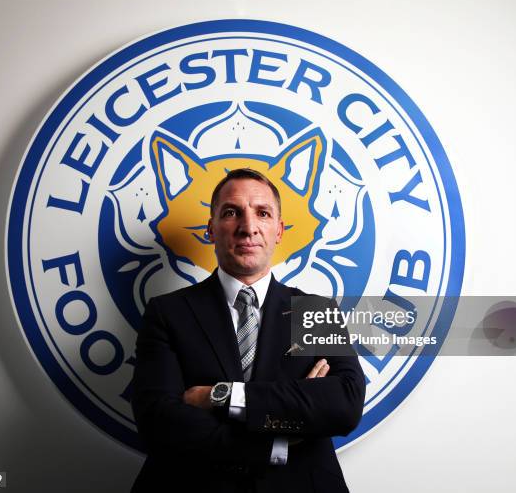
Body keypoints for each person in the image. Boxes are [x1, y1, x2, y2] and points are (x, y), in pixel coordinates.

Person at [130, 168, 365, 493]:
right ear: (211, 229)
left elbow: (345, 404)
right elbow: (157, 420)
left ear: (279, 230)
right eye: (231, 213)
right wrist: (276, 443)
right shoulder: (167, 312)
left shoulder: (315, 310)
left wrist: (221, 396)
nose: (248, 227)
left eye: (263, 213)